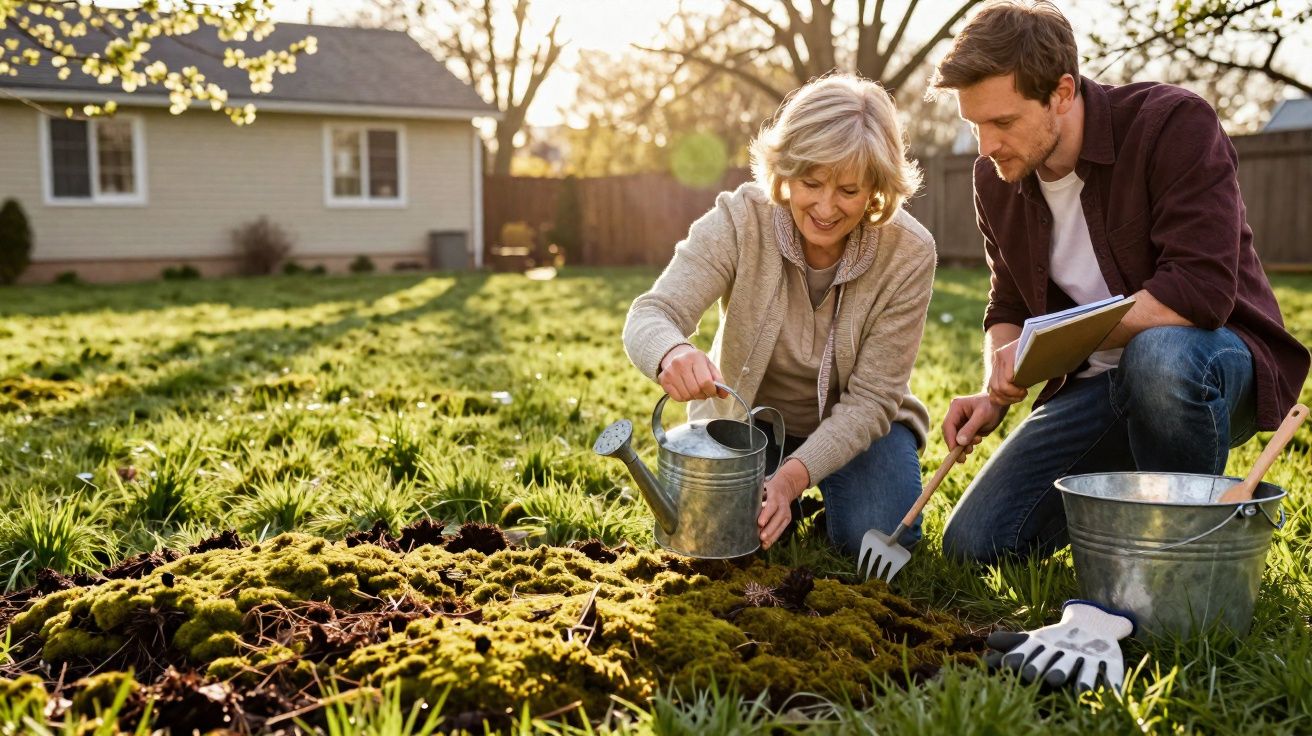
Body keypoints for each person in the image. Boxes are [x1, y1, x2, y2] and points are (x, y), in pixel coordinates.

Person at [926, 1, 1309, 563]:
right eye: (975, 124)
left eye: (1002, 122)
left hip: (1210, 364)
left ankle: (1175, 559)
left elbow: (1199, 290)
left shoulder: (1172, 124)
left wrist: (1045, 348)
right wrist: (997, 382)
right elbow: (1007, 299)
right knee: (974, 544)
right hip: (1096, 387)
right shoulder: (996, 177)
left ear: (1060, 92)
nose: (986, 146)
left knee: (1157, 357)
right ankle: (1133, 510)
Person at [622, 73, 938, 555]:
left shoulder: (909, 252)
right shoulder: (740, 218)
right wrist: (671, 352)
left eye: (849, 191)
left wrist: (789, 481)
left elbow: (872, 400)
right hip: (748, 423)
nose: (826, 208)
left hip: (858, 424)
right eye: (811, 182)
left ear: (876, 187)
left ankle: (814, 490)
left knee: (872, 535)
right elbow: (652, 313)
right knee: (721, 534)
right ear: (786, 170)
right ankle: (785, 494)